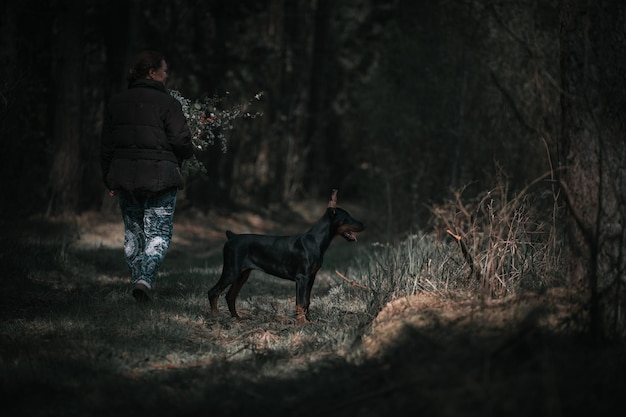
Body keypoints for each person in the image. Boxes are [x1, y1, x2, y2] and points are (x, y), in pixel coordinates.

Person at [100, 50, 194, 301]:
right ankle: (145, 280)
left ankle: (137, 281)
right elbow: (181, 141)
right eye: (164, 71)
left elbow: (107, 145)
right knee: (159, 232)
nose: (166, 76)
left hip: (124, 176)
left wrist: (108, 178)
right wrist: (189, 148)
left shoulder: (116, 102)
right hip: (160, 177)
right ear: (152, 73)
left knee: (133, 231)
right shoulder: (169, 104)